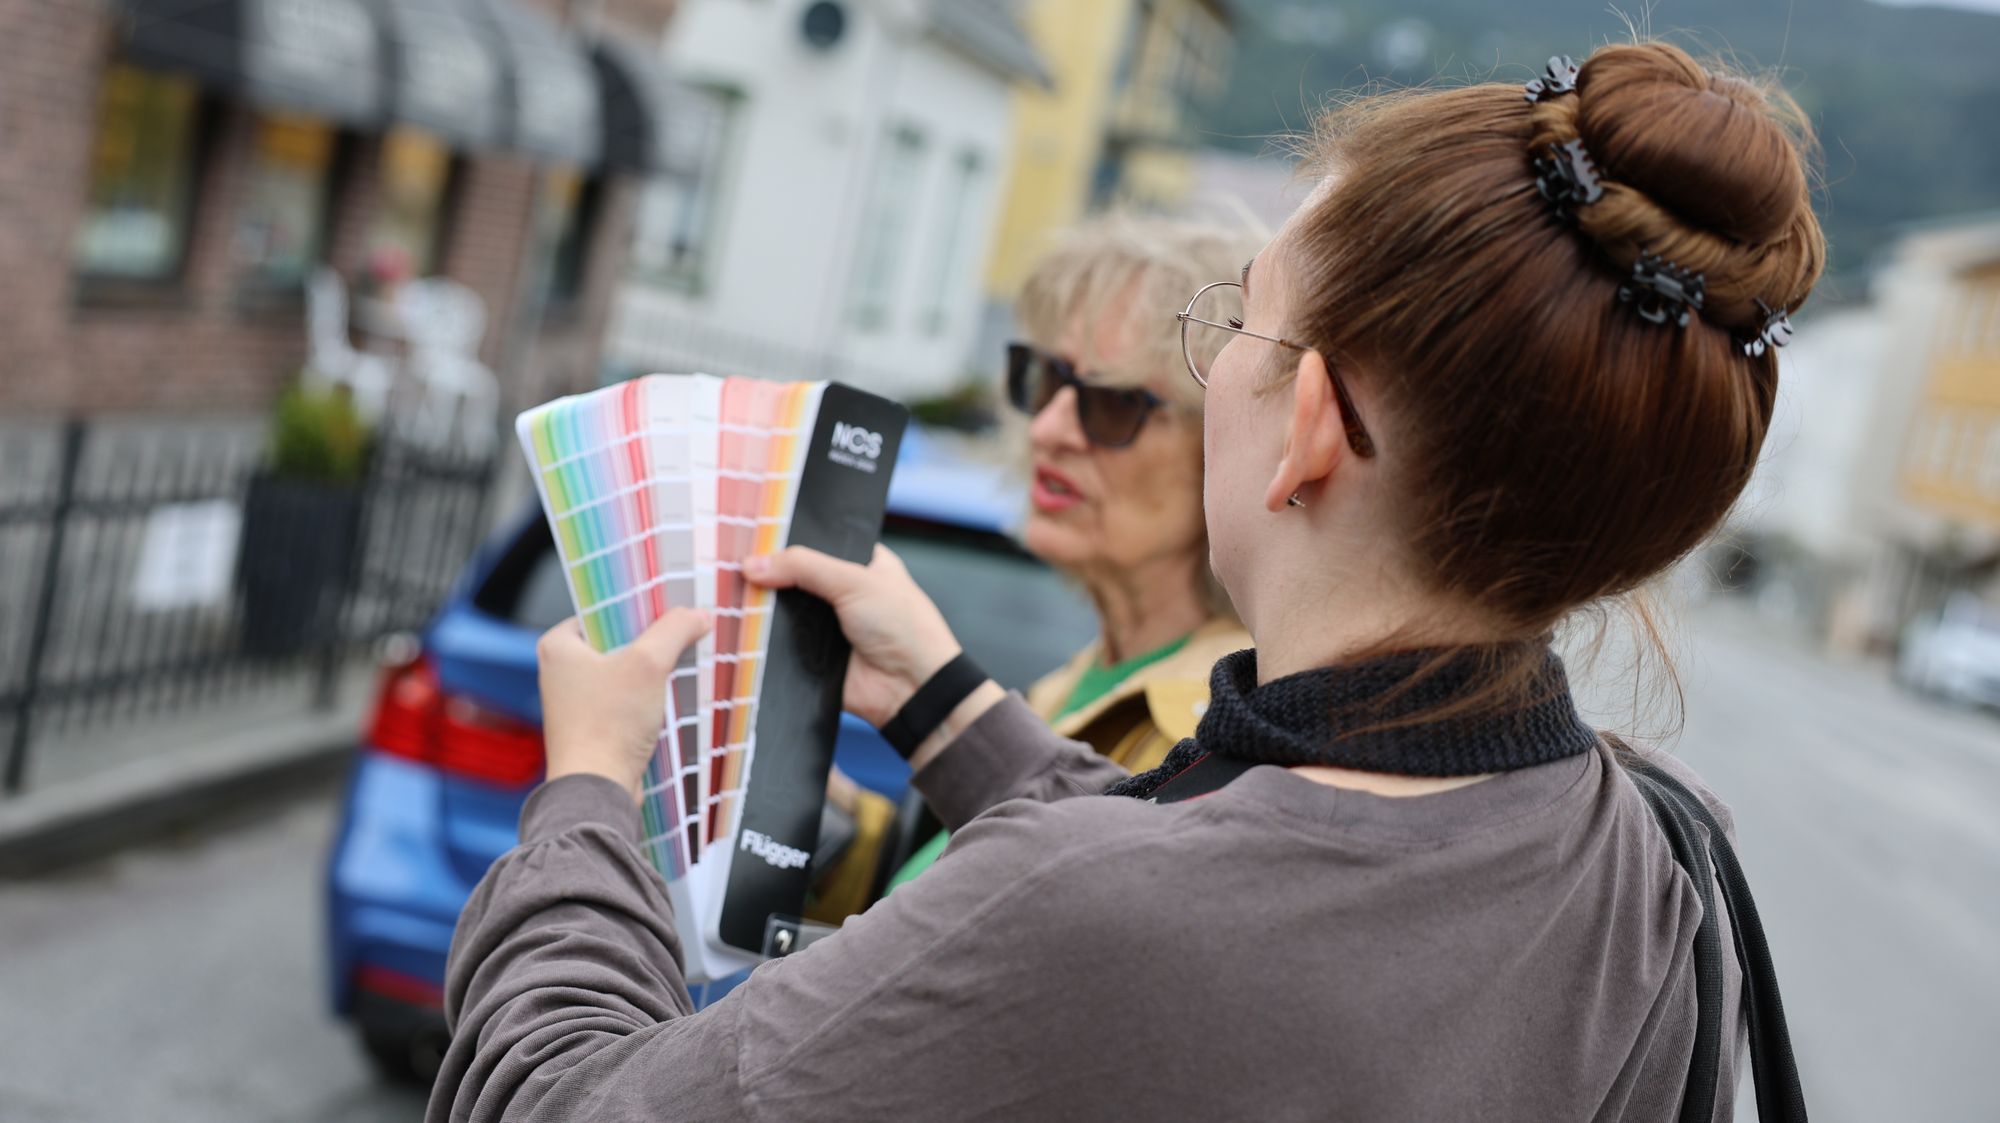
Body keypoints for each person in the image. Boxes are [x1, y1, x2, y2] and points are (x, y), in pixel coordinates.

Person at [431, 41, 1822, 1121]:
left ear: (1316, 425)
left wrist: (588, 795)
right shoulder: (1652, 851)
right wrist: (946, 704)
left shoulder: (1097, 911)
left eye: (1239, 324)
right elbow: (1253, 874)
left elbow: (556, 1099)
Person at [881, 217, 1258, 894]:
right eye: (1046, 378)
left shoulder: (1216, 723)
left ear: (1225, 445)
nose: (1050, 427)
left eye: (1113, 404)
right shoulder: (1080, 681)